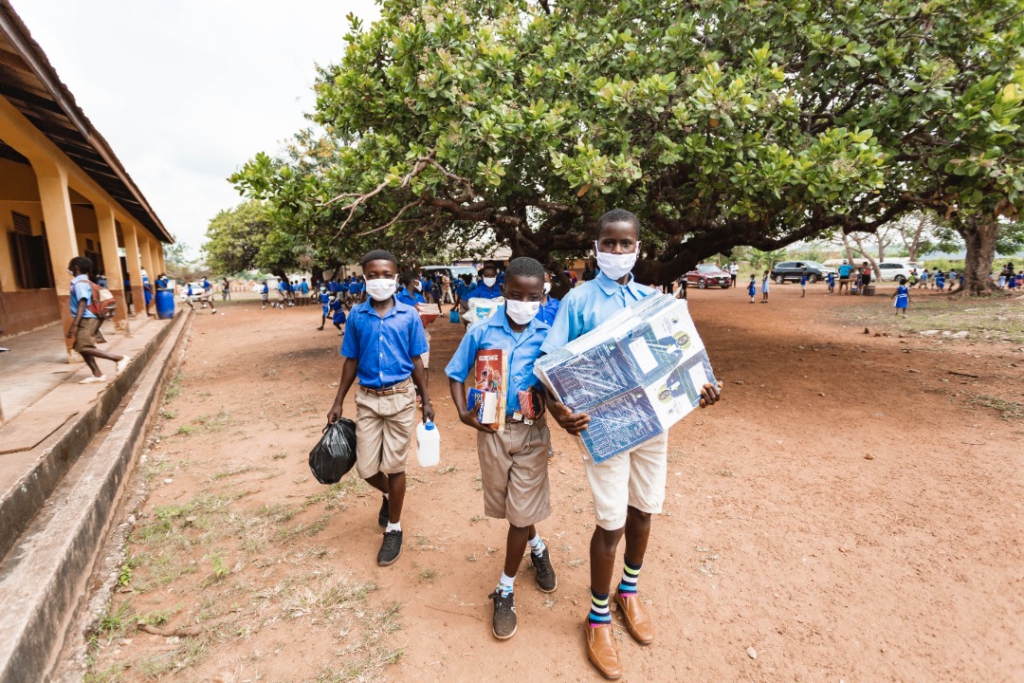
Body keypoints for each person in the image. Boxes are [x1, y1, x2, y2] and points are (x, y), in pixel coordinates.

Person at [541, 209, 722, 680]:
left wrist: (702, 387)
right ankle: (597, 616)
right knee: (611, 521)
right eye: (609, 243)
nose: (618, 252)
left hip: (653, 426)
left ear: (640, 249)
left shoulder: (654, 301)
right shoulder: (576, 302)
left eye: (626, 244)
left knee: (644, 509)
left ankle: (629, 591)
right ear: (595, 247)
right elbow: (549, 366)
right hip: (604, 428)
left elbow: (683, 359)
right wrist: (559, 410)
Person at [445, 257, 557, 640]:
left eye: (532, 296)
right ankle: (538, 548)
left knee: (519, 512)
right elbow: (456, 373)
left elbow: (561, 378)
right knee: (512, 505)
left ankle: (505, 588)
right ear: (503, 292)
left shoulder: (549, 333)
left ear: (543, 295)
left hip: (532, 434)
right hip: (492, 431)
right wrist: (462, 412)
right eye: (515, 295)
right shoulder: (481, 330)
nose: (523, 302)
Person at [326, 249, 433, 567]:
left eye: (386, 274)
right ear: (364, 278)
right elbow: (351, 359)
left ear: (396, 278)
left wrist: (425, 401)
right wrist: (338, 400)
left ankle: (395, 529)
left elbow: (417, 361)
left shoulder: (409, 315)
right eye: (373, 275)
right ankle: (389, 494)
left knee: (396, 465)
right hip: (368, 399)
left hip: (401, 398)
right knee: (366, 468)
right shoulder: (358, 316)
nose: (380, 280)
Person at [66, 256, 129, 384]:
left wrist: (74, 325)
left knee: (83, 346)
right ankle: (97, 374)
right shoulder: (85, 282)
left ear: (75, 268)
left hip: (87, 318)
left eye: (71, 266)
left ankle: (119, 359)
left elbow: (82, 303)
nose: (69, 268)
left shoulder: (79, 284)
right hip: (89, 317)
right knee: (81, 346)